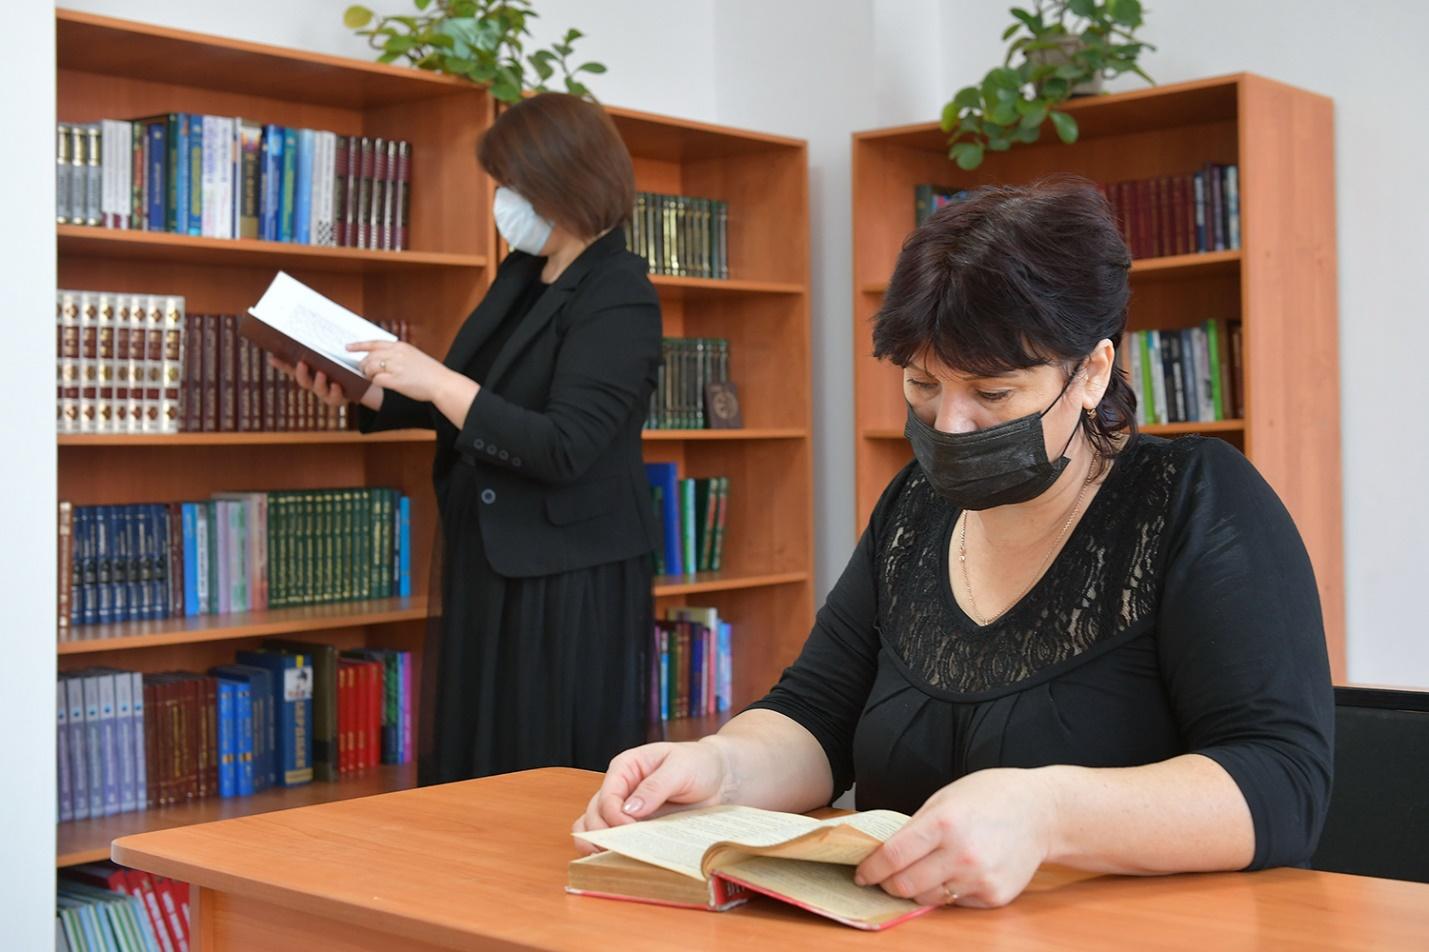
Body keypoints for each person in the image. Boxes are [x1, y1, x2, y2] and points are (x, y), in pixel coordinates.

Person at [572, 178, 1334, 909]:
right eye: (921, 385)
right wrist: (718, 767)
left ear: (1091, 373)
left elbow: (1281, 782)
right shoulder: (914, 507)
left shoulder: (1192, 500)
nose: (950, 425)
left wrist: (1046, 814)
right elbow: (816, 715)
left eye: (992, 393)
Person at [273, 93, 662, 784]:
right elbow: (463, 405)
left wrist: (434, 378)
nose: (503, 201)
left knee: (543, 770)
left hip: (564, 574)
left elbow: (564, 445)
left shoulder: (619, 292)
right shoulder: (522, 276)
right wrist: (363, 390)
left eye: (513, 184)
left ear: (562, 181)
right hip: (488, 555)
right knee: (479, 764)